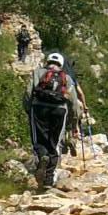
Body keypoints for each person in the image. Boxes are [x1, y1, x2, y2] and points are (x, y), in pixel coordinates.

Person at [24, 51, 81, 188]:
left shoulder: (38, 73)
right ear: (61, 64)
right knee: (54, 144)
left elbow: (28, 93)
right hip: (59, 111)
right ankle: (49, 179)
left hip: (39, 108)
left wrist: (29, 109)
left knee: (38, 140)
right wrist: (74, 123)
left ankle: (42, 155)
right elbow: (74, 103)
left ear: (47, 61)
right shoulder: (67, 78)